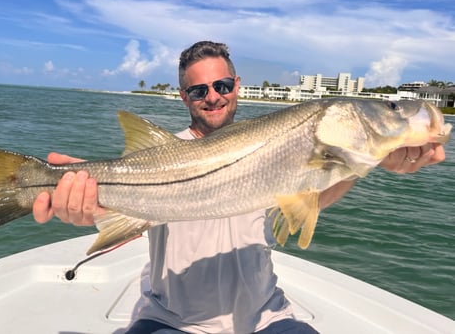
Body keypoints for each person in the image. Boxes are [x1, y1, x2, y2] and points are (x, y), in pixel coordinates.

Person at [33, 41, 445, 333]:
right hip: (170, 320)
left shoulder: (285, 146)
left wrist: (364, 163)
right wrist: (81, 204)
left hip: (265, 317)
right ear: (184, 97)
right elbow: (120, 209)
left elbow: (308, 197)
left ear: (237, 85)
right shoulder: (159, 156)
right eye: (199, 90)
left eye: (222, 85)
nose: (213, 97)